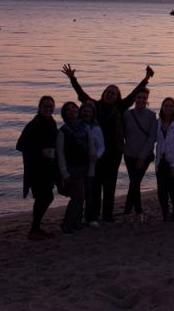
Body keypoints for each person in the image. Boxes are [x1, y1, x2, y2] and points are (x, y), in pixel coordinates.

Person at [61, 64, 153, 223]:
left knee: (110, 185)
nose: (110, 94)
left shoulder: (120, 107)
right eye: (108, 92)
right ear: (103, 93)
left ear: (117, 96)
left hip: (114, 152)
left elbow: (133, 94)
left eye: (113, 93)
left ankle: (108, 216)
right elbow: (82, 95)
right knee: (95, 185)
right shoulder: (95, 106)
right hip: (97, 153)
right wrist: (73, 79)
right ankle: (93, 216)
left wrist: (146, 79)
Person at [16, 96, 58, 240]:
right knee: (44, 197)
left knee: (45, 197)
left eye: (51, 106)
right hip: (35, 168)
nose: (48, 109)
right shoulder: (33, 125)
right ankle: (34, 229)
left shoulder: (51, 122)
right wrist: (41, 152)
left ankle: (35, 228)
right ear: (39, 108)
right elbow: (20, 145)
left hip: (48, 167)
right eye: (45, 106)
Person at [56, 101, 91, 234]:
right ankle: (67, 224)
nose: (72, 110)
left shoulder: (85, 127)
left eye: (74, 108)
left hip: (85, 165)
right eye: (68, 109)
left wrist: (92, 165)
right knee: (78, 197)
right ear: (64, 114)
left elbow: (91, 147)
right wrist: (64, 173)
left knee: (82, 195)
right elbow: (60, 154)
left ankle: (77, 222)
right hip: (72, 167)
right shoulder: (63, 131)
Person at [123, 89, 157, 217]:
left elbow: (152, 138)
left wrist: (142, 157)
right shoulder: (127, 114)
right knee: (134, 181)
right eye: (139, 97)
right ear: (135, 99)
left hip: (145, 156)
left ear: (147, 99)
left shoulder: (151, 115)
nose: (141, 100)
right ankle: (137, 208)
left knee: (135, 181)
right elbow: (123, 134)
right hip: (129, 154)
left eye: (144, 98)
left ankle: (128, 209)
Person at [155, 97, 174, 222]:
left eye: (171, 106)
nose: (168, 108)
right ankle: (165, 212)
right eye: (166, 106)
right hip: (161, 160)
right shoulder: (159, 122)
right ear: (162, 108)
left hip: (173, 160)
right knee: (162, 189)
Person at [80, 101, 105, 228]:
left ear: (93, 113)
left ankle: (92, 217)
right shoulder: (75, 126)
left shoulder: (96, 128)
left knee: (93, 191)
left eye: (89, 112)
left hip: (92, 164)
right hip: (78, 163)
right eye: (84, 111)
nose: (86, 114)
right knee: (80, 192)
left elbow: (101, 146)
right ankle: (78, 217)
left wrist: (97, 156)